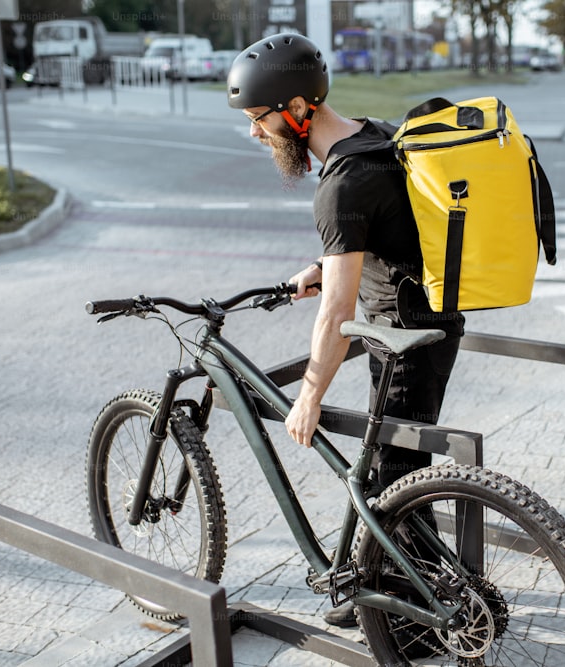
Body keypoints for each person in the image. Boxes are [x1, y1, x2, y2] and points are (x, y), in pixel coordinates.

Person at [227, 33, 464, 628]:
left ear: (299, 109)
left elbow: (334, 316)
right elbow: (386, 225)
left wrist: (309, 395)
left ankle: (422, 626)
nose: (256, 133)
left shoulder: (340, 186)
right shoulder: (377, 133)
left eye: (260, 119)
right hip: (422, 320)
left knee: (394, 481)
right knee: (388, 469)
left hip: (407, 336)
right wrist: (326, 262)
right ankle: (375, 593)